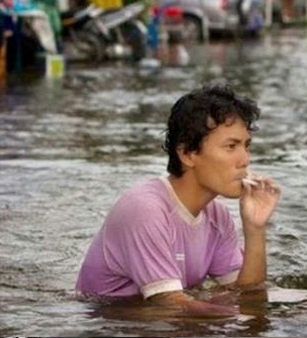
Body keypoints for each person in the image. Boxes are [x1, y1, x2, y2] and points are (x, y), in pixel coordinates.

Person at [75, 83, 281, 317]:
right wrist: (254, 316)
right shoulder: (145, 209)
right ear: (188, 154)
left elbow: (246, 293)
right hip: (111, 323)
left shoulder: (217, 217)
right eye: (231, 146)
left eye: (246, 146)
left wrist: (255, 229)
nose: (245, 159)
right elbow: (169, 306)